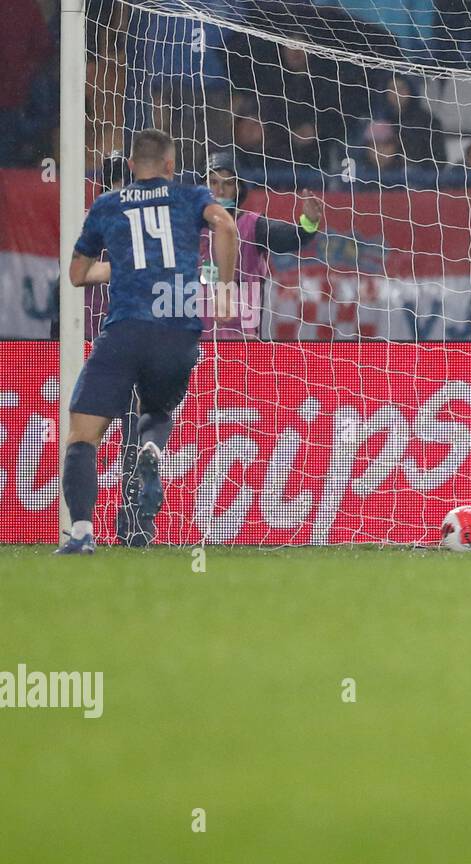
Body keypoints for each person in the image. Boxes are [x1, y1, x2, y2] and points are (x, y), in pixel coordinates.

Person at [57, 129, 239, 555]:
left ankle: (81, 533)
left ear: (132, 166)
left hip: (124, 332)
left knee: (83, 435)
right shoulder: (191, 197)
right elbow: (225, 224)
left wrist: (120, 269)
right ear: (170, 165)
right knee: (156, 408)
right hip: (177, 333)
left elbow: (78, 275)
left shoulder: (106, 205)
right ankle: (153, 448)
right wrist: (226, 288)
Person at [203, 151, 323, 338]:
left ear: (238, 189)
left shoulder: (253, 226)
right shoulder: (190, 226)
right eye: (213, 183)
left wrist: (309, 222)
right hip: (194, 343)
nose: (219, 191)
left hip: (240, 340)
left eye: (227, 183)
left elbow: (292, 237)